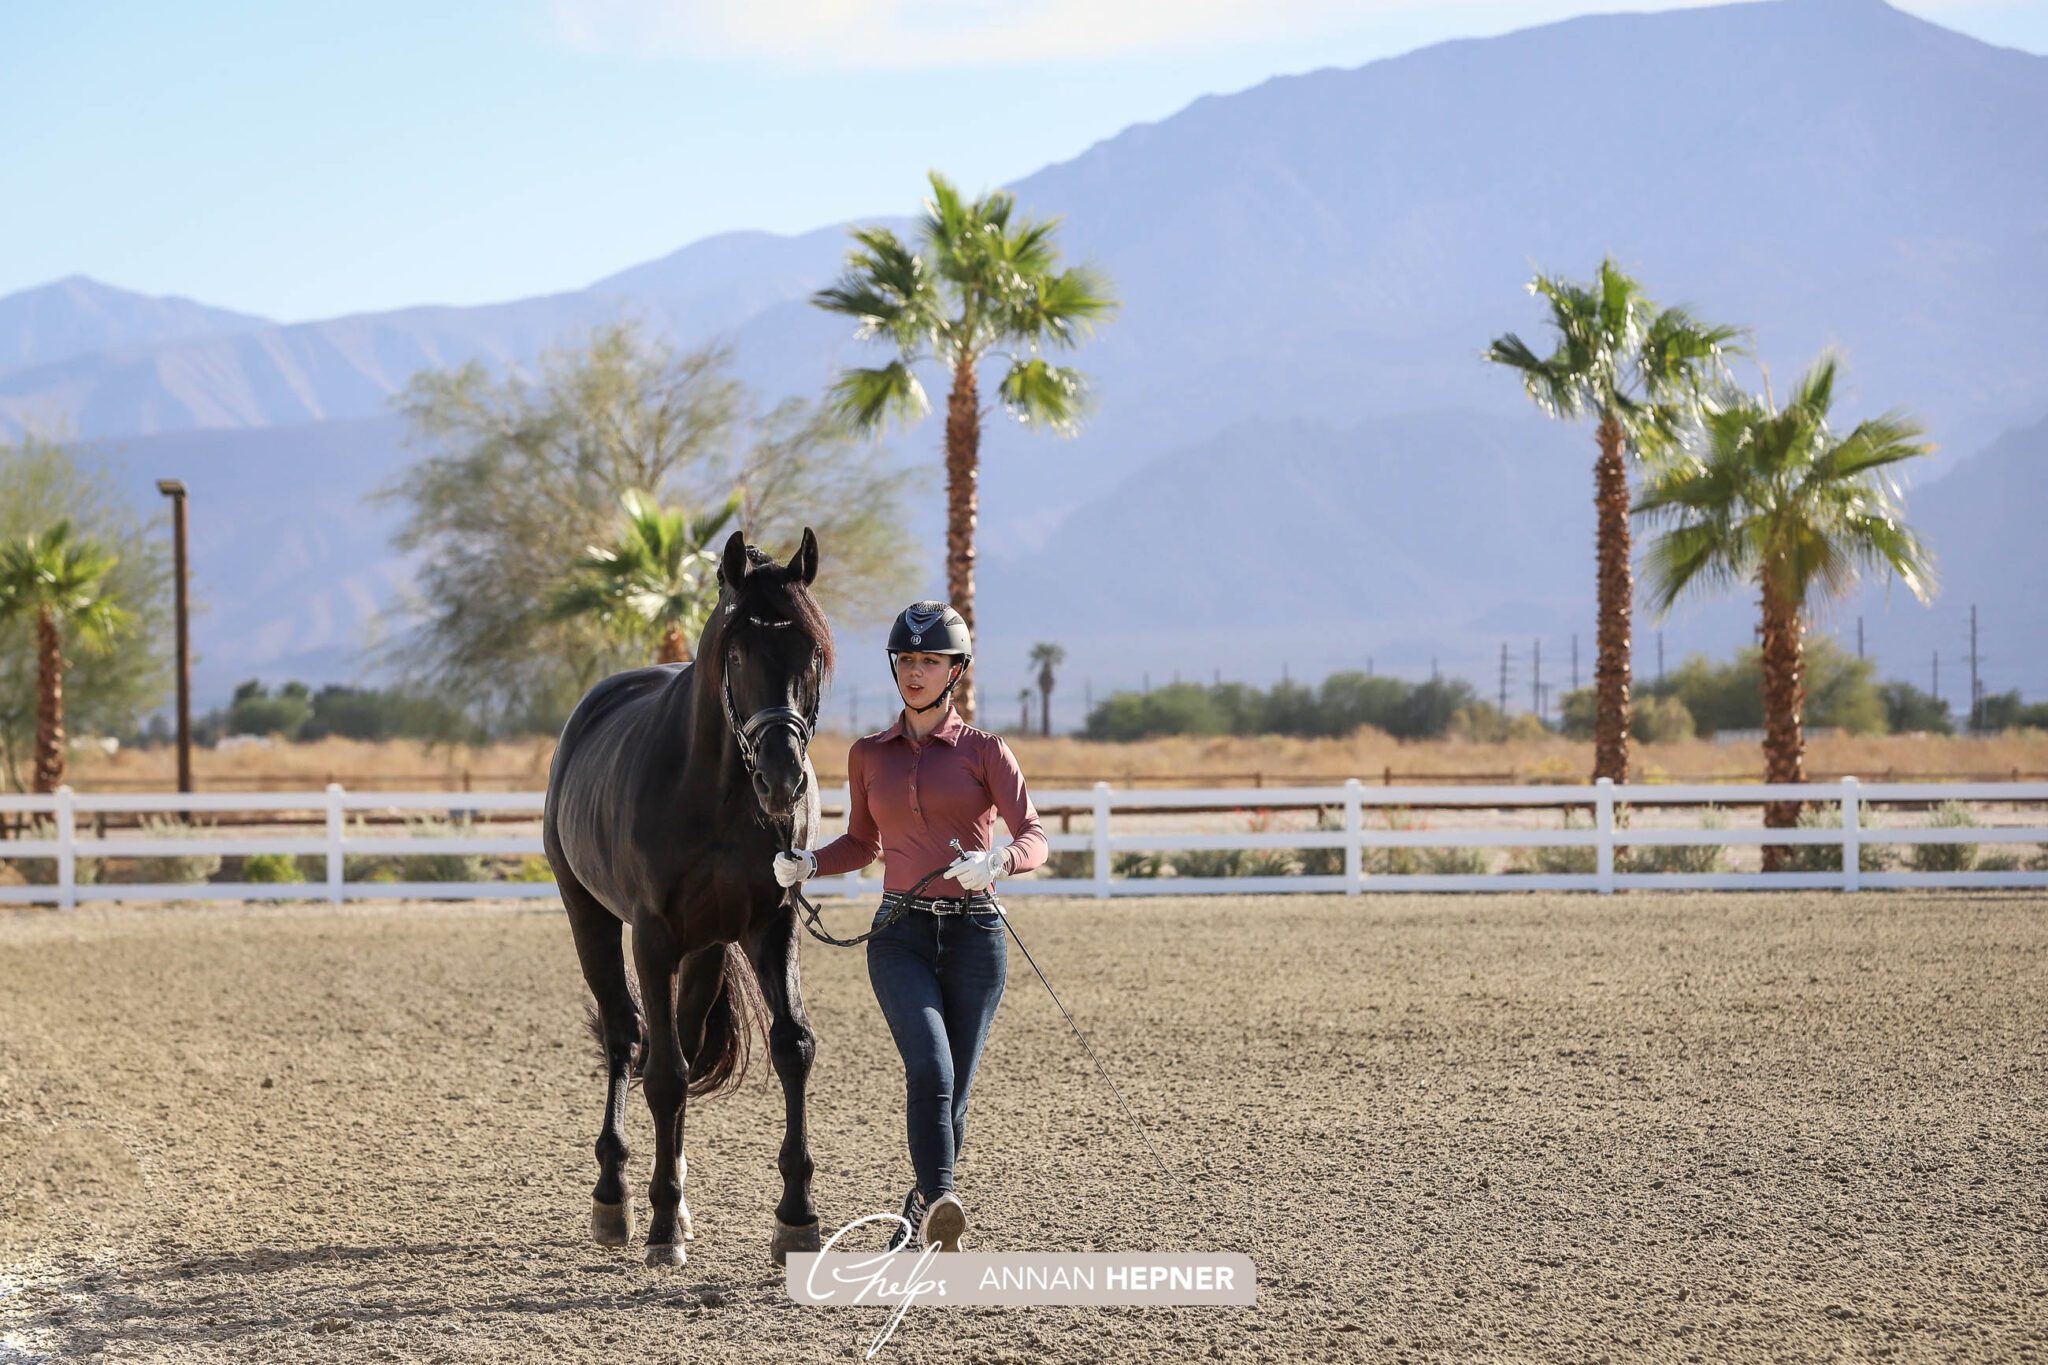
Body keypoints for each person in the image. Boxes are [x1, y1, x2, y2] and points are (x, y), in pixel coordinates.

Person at [771, 600, 1047, 1253]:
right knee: (930, 1067)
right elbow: (863, 844)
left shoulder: (986, 752)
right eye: (907, 660)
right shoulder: (869, 755)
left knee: (953, 1094)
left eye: (930, 660)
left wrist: (999, 859)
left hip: (978, 937)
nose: (916, 672)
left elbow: (1035, 836)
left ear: (956, 670)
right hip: (900, 935)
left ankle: (923, 1204)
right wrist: (809, 861)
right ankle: (944, 1205)